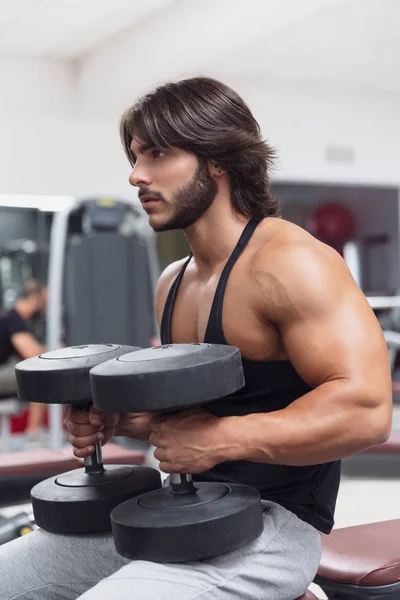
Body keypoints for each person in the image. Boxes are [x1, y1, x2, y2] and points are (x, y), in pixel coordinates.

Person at [0, 77, 392, 600]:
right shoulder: (174, 282)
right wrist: (120, 421)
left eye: (159, 153)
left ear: (218, 160)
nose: (137, 175)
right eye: (135, 156)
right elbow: (195, 418)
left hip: (271, 526)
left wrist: (217, 441)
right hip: (179, 512)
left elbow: (366, 411)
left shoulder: (291, 262)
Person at [0, 279, 48, 440]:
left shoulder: (11, 318)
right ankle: (33, 435)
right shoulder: (13, 319)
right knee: (40, 378)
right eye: (44, 303)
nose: (44, 308)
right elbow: (32, 353)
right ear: (36, 300)